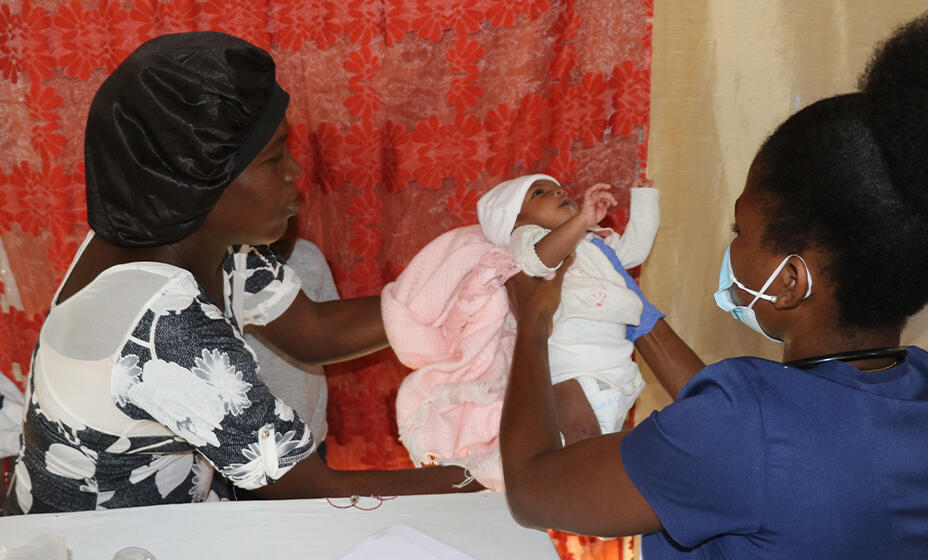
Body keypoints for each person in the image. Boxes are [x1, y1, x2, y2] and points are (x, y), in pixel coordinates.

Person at [499, 8, 928, 558]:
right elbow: (761, 436)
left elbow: (532, 487)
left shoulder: (740, 429)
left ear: (790, 281)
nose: (733, 244)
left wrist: (534, 323)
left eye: (743, 228)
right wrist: (640, 316)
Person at [5, 31, 475, 515]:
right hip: (89, 544)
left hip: (172, 517)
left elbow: (312, 331)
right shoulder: (166, 327)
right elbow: (310, 487)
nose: (296, 171)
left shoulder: (181, 234)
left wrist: (464, 282)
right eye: (273, 158)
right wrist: (489, 475)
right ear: (196, 177)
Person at [477, 174, 660, 443]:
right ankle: (572, 480)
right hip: (566, 360)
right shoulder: (527, 236)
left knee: (615, 445)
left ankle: (603, 481)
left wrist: (644, 200)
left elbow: (633, 252)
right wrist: (582, 221)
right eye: (539, 193)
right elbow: (539, 260)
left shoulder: (593, 241)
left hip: (614, 362)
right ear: (514, 220)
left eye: (559, 189)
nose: (560, 192)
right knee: (583, 436)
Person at [244, 217, 336, 459]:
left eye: (292, 210)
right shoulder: (230, 268)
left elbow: (331, 329)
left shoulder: (308, 257)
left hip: (311, 435)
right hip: (251, 447)